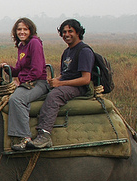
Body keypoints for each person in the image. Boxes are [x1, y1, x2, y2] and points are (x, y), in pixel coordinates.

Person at [28, 19, 94, 149]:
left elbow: (85, 79)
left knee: (55, 96)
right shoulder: (67, 52)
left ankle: (44, 134)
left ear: (78, 32)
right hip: (67, 83)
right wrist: (56, 80)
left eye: (70, 31)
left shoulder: (84, 51)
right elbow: (67, 73)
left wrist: (60, 84)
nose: (66, 34)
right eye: (64, 32)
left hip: (79, 87)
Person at [0, 18, 49, 151]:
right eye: (19, 29)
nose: (22, 32)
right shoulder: (22, 46)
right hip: (27, 81)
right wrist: (7, 68)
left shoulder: (34, 43)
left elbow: (37, 70)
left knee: (17, 99)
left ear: (30, 30)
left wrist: (21, 82)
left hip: (37, 83)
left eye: (25, 29)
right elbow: (19, 69)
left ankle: (25, 137)